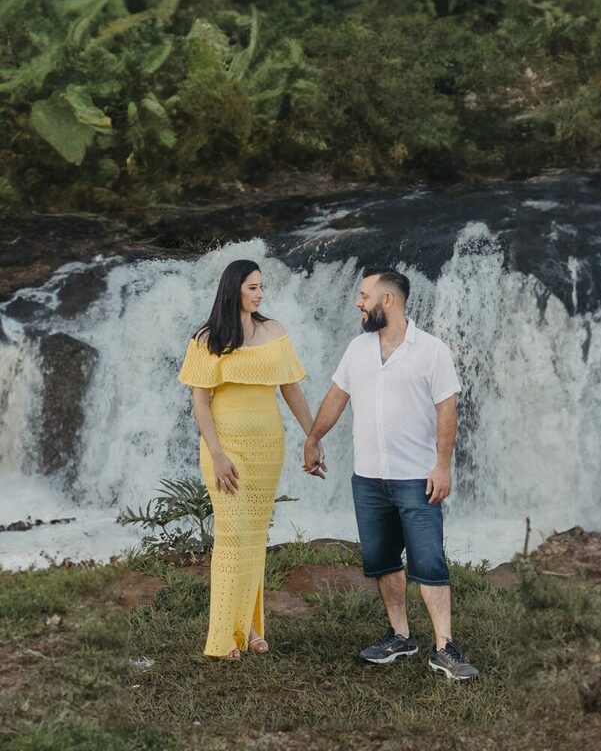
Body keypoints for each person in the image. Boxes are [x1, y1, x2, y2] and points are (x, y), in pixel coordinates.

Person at [304, 267, 478, 681]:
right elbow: (336, 397)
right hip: (368, 478)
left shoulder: (431, 350)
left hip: (416, 476)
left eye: (364, 296)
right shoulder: (357, 349)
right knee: (382, 561)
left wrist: (442, 465)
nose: (358, 303)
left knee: (429, 562)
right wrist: (313, 438)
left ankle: (445, 647)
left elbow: (447, 411)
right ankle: (400, 636)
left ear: (388, 300)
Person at [178, 258, 313, 660]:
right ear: (233, 288)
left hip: (267, 448)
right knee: (231, 535)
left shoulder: (275, 331)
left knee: (254, 537)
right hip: (225, 449)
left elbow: (291, 389)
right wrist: (217, 454)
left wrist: (313, 435)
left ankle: (250, 626)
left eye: (262, 287)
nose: (260, 294)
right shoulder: (207, 338)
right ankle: (223, 636)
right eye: (253, 287)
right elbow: (200, 402)